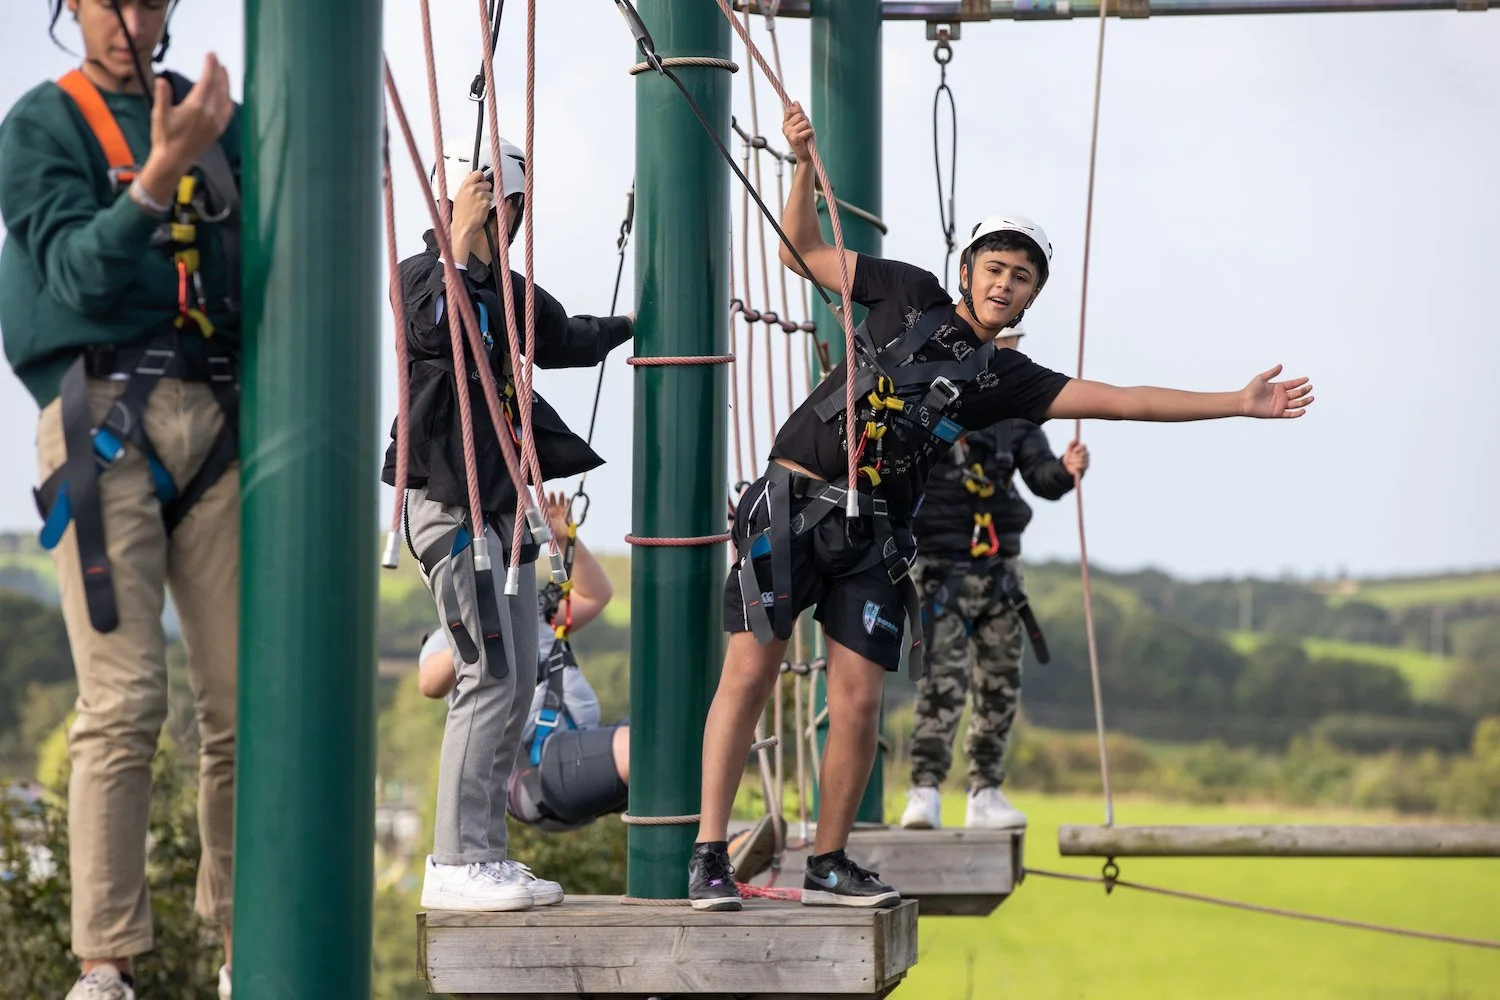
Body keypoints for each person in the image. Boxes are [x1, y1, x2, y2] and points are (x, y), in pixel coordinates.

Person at [689, 102, 1314, 912]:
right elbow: (800, 249)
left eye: (1021, 278)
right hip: (796, 501)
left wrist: (1234, 401)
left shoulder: (1004, 379)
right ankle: (708, 854)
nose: (1004, 283)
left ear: (1028, 299)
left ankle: (831, 860)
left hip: (874, 536)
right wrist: (802, 163)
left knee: (859, 700)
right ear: (967, 270)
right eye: (994, 268)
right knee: (750, 673)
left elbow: (1123, 399)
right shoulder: (903, 292)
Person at [0, 2, 240, 997]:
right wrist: (155, 173)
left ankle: (244, 944)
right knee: (127, 696)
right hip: (103, 413)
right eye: (109, 0)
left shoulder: (217, 118)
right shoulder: (43, 125)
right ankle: (105, 964)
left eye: (149, 1)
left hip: (220, 420)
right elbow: (73, 274)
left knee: (242, 706)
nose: (130, 20)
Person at [385, 136, 635, 913]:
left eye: (503, 207)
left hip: (500, 513)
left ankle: (483, 854)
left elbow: (566, 339)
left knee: (517, 673)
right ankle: (457, 860)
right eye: (485, 205)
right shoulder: (422, 276)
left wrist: (641, 321)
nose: (497, 218)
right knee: (488, 673)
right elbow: (434, 333)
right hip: (451, 508)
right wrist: (458, 242)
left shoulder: (511, 293)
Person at [900, 331, 1089, 831]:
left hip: (999, 568)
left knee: (1000, 681)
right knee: (942, 681)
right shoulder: (927, 397)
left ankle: (986, 789)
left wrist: (1066, 471)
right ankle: (925, 788)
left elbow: (1041, 477)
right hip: (940, 565)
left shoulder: (1018, 414)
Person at [416, 492, 631, 831]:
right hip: (537, 769)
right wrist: (483, 628)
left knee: (674, 729)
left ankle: (717, 844)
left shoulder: (534, 616)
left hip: (581, 752)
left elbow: (596, 595)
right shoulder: (449, 635)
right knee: (649, 745)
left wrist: (561, 539)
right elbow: (429, 683)